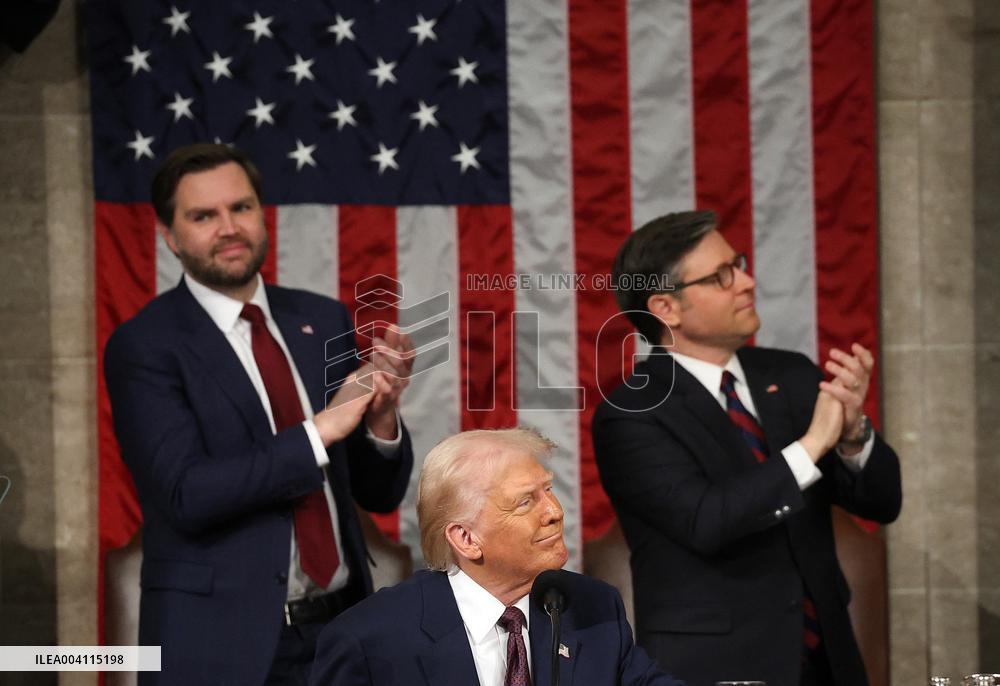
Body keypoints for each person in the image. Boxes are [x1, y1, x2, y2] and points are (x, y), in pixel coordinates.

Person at [103, 143, 415, 685]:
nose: (229, 228)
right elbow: (186, 493)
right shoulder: (145, 345)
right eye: (204, 216)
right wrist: (319, 430)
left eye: (241, 207)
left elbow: (378, 493)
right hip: (220, 649)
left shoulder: (321, 318)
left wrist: (380, 418)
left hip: (342, 634)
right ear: (170, 236)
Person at [592, 211, 902, 686]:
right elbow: (707, 520)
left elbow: (882, 502)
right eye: (722, 276)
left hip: (828, 664)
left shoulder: (791, 375)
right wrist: (812, 444)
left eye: (737, 264)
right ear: (666, 308)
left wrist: (853, 432)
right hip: (714, 667)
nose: (747, 282)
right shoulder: (631, 412)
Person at [308, 428, 685, 686]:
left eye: (548, 490)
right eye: (525, 502)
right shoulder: (369, 641)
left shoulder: (592, 607)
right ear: (466, 539)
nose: (554, 511)